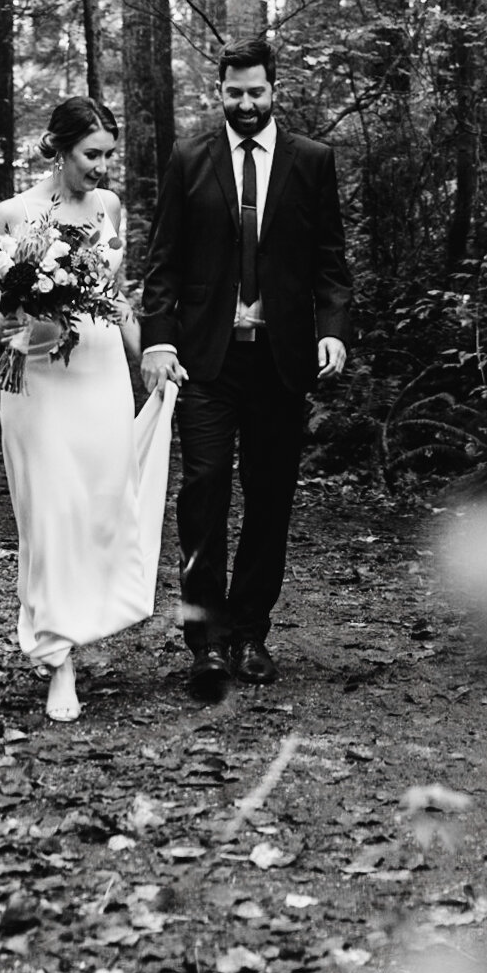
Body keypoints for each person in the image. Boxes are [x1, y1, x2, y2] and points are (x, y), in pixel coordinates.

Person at [139, 39, 352, 699]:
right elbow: (163, 263)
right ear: (220, 92)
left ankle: (249, 634)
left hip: (281, 359)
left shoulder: (312, 162)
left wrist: (333, 332)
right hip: (207, 359)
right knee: (202, 493)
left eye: (256, 92)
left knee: (268, 499)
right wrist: (157, 342)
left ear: (273, 90)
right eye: (234, 93)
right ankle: (204, 642)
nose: (246, 103)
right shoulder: (189, 157)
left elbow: (329, 262)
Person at [0, 96, 175, 724]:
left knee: (99, 503)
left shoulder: (111, 209)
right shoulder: (12, 214)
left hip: (100, 376)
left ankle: (89, 614)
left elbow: (118, 301)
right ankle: (58, 659)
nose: (103, 168)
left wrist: (153, 362)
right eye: (93, 155)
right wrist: (16, 324)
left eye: (109, 155)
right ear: (58, 150)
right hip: (37, 384)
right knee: (52, 513)